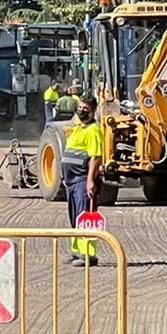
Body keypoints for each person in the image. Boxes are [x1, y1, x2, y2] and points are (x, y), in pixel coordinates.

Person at [62, 98, 103, 266]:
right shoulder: (79, 128)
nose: (81, 110)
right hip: (71, 181)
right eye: (79, 107)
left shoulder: (93, 130)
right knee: (75, 218)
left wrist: (90, 181)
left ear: (92, 111)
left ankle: (88, 255)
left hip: (82, 180)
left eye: (85, 108)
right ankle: (77, 252)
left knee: (85, 217)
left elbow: (95, 157)